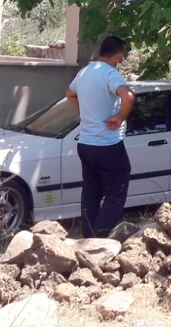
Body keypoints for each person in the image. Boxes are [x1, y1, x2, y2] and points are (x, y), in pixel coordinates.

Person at [65, 36, 136, 238]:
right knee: (116, 192)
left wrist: (84, 114)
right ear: (118, 56)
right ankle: (101, 238)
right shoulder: (110, 74)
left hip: (85, 144)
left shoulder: (85, 71)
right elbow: (129, 96)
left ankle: (88, 237)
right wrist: (120, 118)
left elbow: (69, 94)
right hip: (108, 143)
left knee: (91, 192)